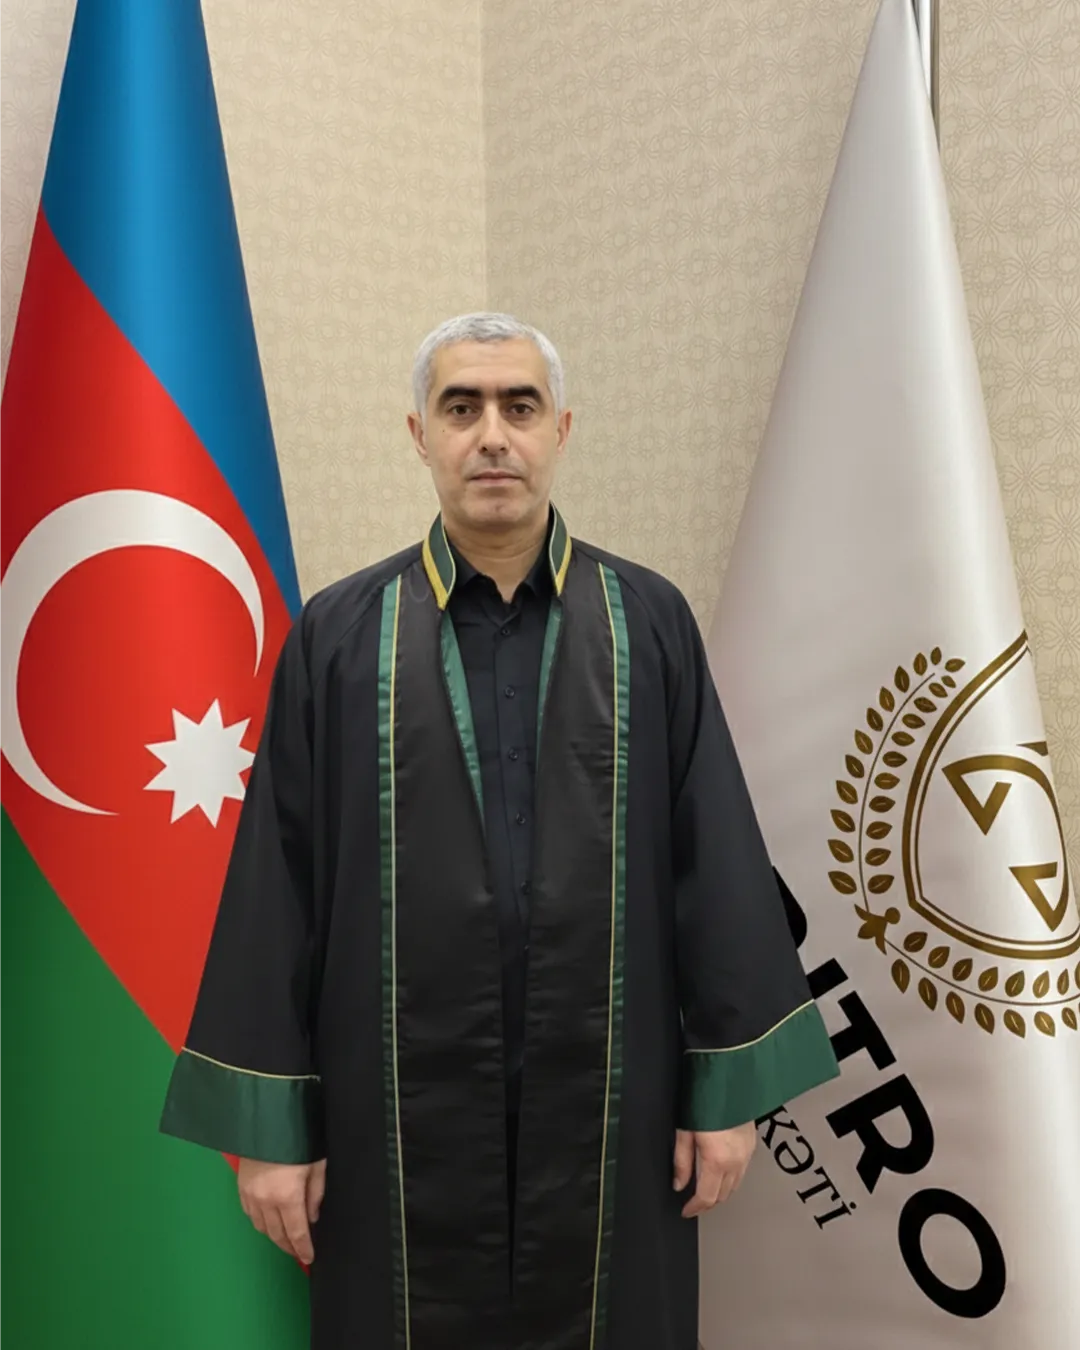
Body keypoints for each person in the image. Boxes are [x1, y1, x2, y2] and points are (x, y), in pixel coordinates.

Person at [160, 312, 839, 1350]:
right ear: (419, 434)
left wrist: (726, 1095)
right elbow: (276, 890)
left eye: (520, 407)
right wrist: (271, 1132)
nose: (492, 435)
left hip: (615, 1105)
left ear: (560, 429)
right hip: (392, 1112)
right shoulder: (340, 638)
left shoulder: (647, 623)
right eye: (461, 407)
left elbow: (716, 864)